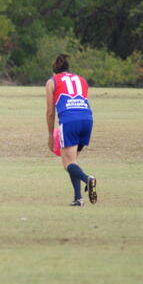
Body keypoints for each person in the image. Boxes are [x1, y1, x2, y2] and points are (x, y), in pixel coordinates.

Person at [45, 54, 97, 206]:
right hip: (87, 120)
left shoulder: (52, 81)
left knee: (67, 164)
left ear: (54, 71)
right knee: (73, 162)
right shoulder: (82, 80)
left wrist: (50, 135)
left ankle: (88, 179)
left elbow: (50, 112)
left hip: (69, 121)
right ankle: (78, 198)